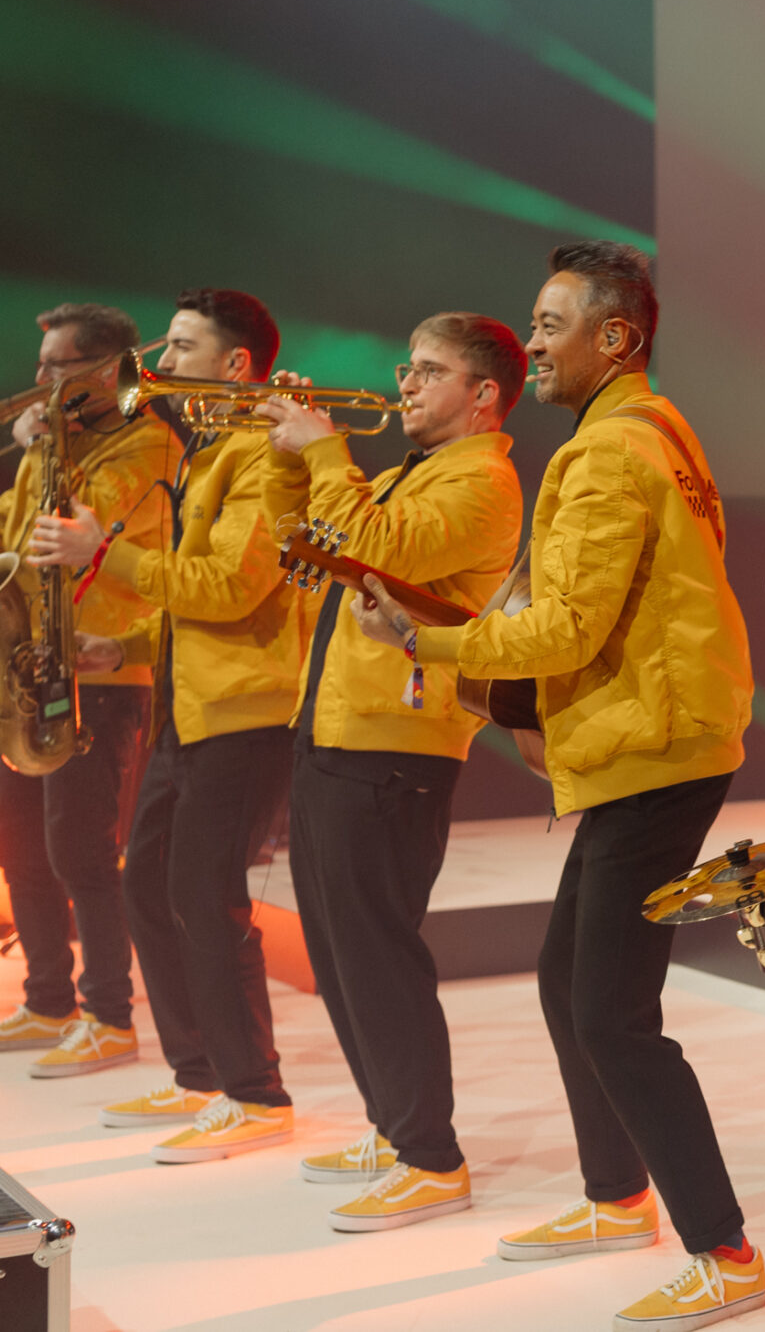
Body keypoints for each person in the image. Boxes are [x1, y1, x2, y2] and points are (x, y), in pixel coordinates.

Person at [351, 241, 764, 1329]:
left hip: (655, 749)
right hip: (664, 734)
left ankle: (724, 1250)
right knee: (564, 978)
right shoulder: (659, 428)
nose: (531, 344)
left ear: (614, 338)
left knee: (612, 1013)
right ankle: (616, 1195)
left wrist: (426, 643)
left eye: (549, 325)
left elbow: (568, 626)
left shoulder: (607, 452)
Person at [251, 312, 526, 1234]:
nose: (405, 382)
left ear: (483, 395)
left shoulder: (483, 480)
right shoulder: (419, 469)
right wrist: (291, 459)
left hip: (396, 743)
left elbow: (379, 546)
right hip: (337, 725)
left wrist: (327, 451)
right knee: (338, 951)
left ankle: (431, 1158)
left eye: (429, 370)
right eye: (407, 367)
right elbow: (311, 537)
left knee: (376, 952)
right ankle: (393, 1124)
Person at [32, 290, 309, 1165]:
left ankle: (254, 1092)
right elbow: (196, 601)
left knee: (204, 898)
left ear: (236, 364)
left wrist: (105, 554)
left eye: (182, 345)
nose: (161, 361)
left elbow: (231, 588)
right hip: (188, 706)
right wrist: (130, 645)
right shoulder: (210, 451)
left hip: (244, 712)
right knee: (148, 884)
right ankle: (201, 1075)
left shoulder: (262, 455)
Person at [0, 304, 175, 1073]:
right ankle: (47, 1000)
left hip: (102, 674)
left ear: (103, 370)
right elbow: (2, 545)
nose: (36, 381)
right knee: (15, 842)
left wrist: (48, 443)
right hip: (27, 666)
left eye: (54, 366)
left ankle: (109, 1015)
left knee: (80, 851)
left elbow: (82, 526)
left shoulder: (149, 446)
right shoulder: (44, 448)